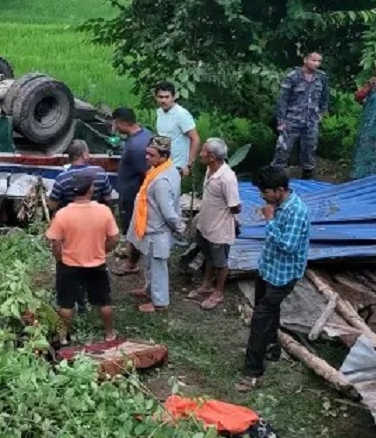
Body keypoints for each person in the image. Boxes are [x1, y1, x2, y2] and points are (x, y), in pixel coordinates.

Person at [238, 165, 311, 392]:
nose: (262, 195)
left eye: (265, 191)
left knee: (260, 318)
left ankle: (253, 371)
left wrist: (269, 221)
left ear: (280, 190)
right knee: (269, 310)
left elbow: (288, 246)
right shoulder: (278, 204)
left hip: (284, 275)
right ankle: (272, 347)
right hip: (268, 268)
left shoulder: (297, 211)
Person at [45, 168, 120, 344]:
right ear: (91, 189)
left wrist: (60, 259)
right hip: (96, 263)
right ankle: (109, 334)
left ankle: (62, 337)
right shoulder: (103, 211)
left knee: (66, 305)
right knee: (104, 301)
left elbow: (55, 242)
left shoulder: (63, 214)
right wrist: (103, 250)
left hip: (69, 265)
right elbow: (115, 238)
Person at [127, 136, 184, 313]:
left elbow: (168, 212)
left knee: (158, 266)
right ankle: (149, 290)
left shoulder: (161, 181)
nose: (147, 158)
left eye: (151, 155)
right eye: (147, 153)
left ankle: (159, 302)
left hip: (158, 231)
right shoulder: (165, 169)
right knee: (150, 263)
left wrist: (179, 228)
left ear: (163, 156)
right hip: (151, 229)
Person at [187, 138, 242, 310]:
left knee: (220, 262)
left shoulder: (227, 178)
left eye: (202, 151)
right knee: (208, 255)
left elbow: (235, 207)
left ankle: (218, 292)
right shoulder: (209, 170)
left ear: (211, 156)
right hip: (206, 225)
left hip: (220, 229)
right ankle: (206, 285)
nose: (200, 154)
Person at [273, 52, 330, 180]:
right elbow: (282, 100)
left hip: (311, 121)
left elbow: (325, 97)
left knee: (309, 150)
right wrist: (281, 121)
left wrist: (321, 113)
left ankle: (307, 178)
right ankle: (275, 179)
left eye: (319, 61)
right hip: (291, 120)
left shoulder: (321, 77)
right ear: (305, 60)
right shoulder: (293, 77)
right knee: (283, 150)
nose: (317, 64)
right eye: (313, 60)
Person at [110, 106, 151, 277]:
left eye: (115, 124)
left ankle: (132, 263)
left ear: (122, 123)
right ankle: (130, 252)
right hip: (133, 190)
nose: (114, 127)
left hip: (132, 193)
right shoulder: (144, 134)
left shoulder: (135, 147)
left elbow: (146, 173)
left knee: (132, 229)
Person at [47, 140, 112, 212]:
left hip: (70, 219)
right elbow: (108, 198)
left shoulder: (62, 178)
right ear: (84, 155)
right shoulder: (100, 173)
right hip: (97, 217)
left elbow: (52, 206)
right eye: (88, 152)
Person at [152, 81, 200, 177]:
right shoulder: (159, 112)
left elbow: (195, 139)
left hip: (178, 166)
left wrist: (189, 164)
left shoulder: (181, 114)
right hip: (162, 164)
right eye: (161, 97)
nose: (163, 100)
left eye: (167, 97)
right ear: (156, 98)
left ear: (173, 97)